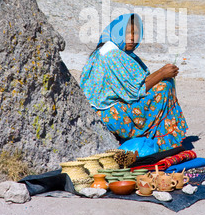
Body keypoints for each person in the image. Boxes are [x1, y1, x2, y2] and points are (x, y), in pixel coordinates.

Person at [80, 13, 188, 151]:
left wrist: (163, 72)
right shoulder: (112, 55)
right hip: (112, 116)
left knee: (163, 81)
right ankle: (161, 140)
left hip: (109, 111)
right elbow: (136, 91)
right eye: (127, 33)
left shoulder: (113, 50)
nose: (132, 38)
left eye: (135, 33)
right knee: (164, 87)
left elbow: (137, 82)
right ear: (117, 32)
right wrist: (162, 73)